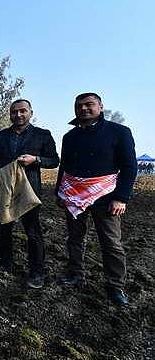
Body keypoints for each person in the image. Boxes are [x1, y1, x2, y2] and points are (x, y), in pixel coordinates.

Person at [55, 92, 137, 306]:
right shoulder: (69, 137)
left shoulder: (119, 132)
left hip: (107, 197)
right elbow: (64, 167)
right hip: (73, 196)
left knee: (111, 243)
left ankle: (115, 286)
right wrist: (59, 193)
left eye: (89, 104)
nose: (83, 109)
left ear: (101, 107)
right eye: (79, 105)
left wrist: (121, 197)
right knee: (75, 238)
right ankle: (75, 273)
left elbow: (129, 167)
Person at [0, 99, 59, 288]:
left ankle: (36, 272)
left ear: (30, 112)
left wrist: (35, 159)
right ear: (10, 114)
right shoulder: (1, 136)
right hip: (5, 189)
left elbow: (54, 160)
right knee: (4, 227)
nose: (18, 115)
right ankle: (5, 263)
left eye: (22, 111)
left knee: (33, 232)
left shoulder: (42, 135)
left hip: (29, 190)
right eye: (14, 112)